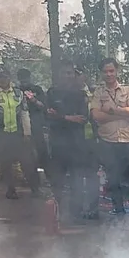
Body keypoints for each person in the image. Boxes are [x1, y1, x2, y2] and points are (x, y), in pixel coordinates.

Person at [47, 61, 97, 220]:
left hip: (76, 144)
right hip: (57, 144)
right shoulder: (52, 93)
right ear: (59, 74)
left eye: (70, 73)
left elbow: (82, 118)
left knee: (76, 179)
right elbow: (48, 118)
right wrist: (68, 117)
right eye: (64, 73)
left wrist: (60, 117)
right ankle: (55, 212)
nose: (67, 76)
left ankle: (75, 212)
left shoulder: (80, 94)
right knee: (57, 180)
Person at [91, 57, 129, 214]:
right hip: (108, 141)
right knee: (113, 178)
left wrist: (111, 110)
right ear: (101, 73)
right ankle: (119, 211)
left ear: (117, 71)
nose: (109, 74)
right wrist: (121, 113)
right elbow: (96, 116)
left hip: (127, 140)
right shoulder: (98, 92)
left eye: (111, 70)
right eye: (105, 71)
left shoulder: (128, 90)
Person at [0, 67, 39, 200]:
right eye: (0, 77)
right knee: (6, 163)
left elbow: (25, 113)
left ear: (10, 77)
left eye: (5, 76)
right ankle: (11, 189)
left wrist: (27, 132)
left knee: (28, 161)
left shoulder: (18, 93)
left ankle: (35, 189)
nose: (3, 79)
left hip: (17, 133)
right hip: (1, 133)